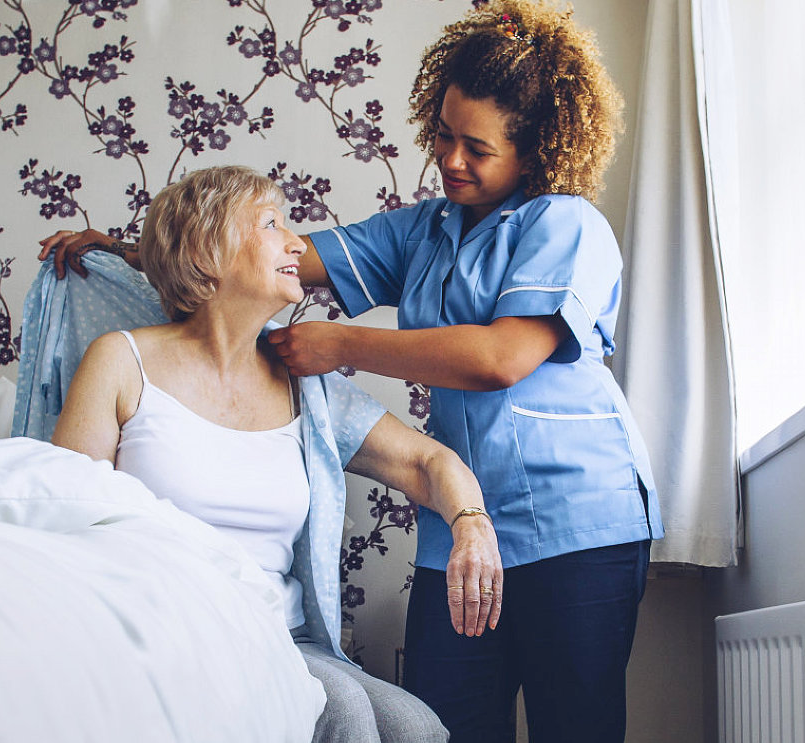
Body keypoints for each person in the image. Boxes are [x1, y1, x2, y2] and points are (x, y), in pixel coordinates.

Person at [39, 3, 661, 740]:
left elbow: (502, 358)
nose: (451, 160)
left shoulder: (567, 224)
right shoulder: (422, 231)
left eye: (477, 148)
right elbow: (263, 255)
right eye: (444, 135)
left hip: (576, 519)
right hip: (456, 522)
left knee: (574, 727)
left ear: (533, 150)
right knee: (444, 722)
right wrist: (134, 248)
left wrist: (342, 346)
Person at [50, 165, 501, 743]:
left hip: (282, 636)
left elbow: (427, 462)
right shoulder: (119, 360)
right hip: (167, 629)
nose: (295, 243)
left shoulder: (303, 386)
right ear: (205, 249)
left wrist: (471, 524)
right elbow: (63, 514)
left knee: (418, 729)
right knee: (341, 710)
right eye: (271, 224)